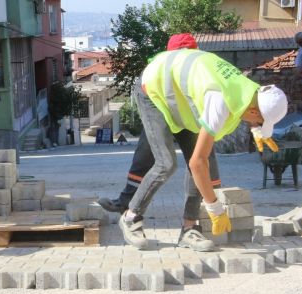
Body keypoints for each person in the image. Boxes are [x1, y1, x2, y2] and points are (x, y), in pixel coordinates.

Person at [118, 48, 287, 250]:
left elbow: (250, 108)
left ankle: (189, 229)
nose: (257, 123)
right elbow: (198, 163)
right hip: (153, 89)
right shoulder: (219, 100)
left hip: (180, 97)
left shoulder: (251, 90)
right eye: (259, 121)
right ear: (253, 110)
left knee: (195, 164)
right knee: (167, 163)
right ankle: (131, 217)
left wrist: (256, 128)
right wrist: (215, 208)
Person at [99, 33, 222, 251]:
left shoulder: (199, 72)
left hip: (183, 110)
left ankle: (189, 228)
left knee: (198, 160)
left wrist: (214, 194)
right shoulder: (157, 71)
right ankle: (128, 211)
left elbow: (204, 154)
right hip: (156, 104)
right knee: (159, 159)